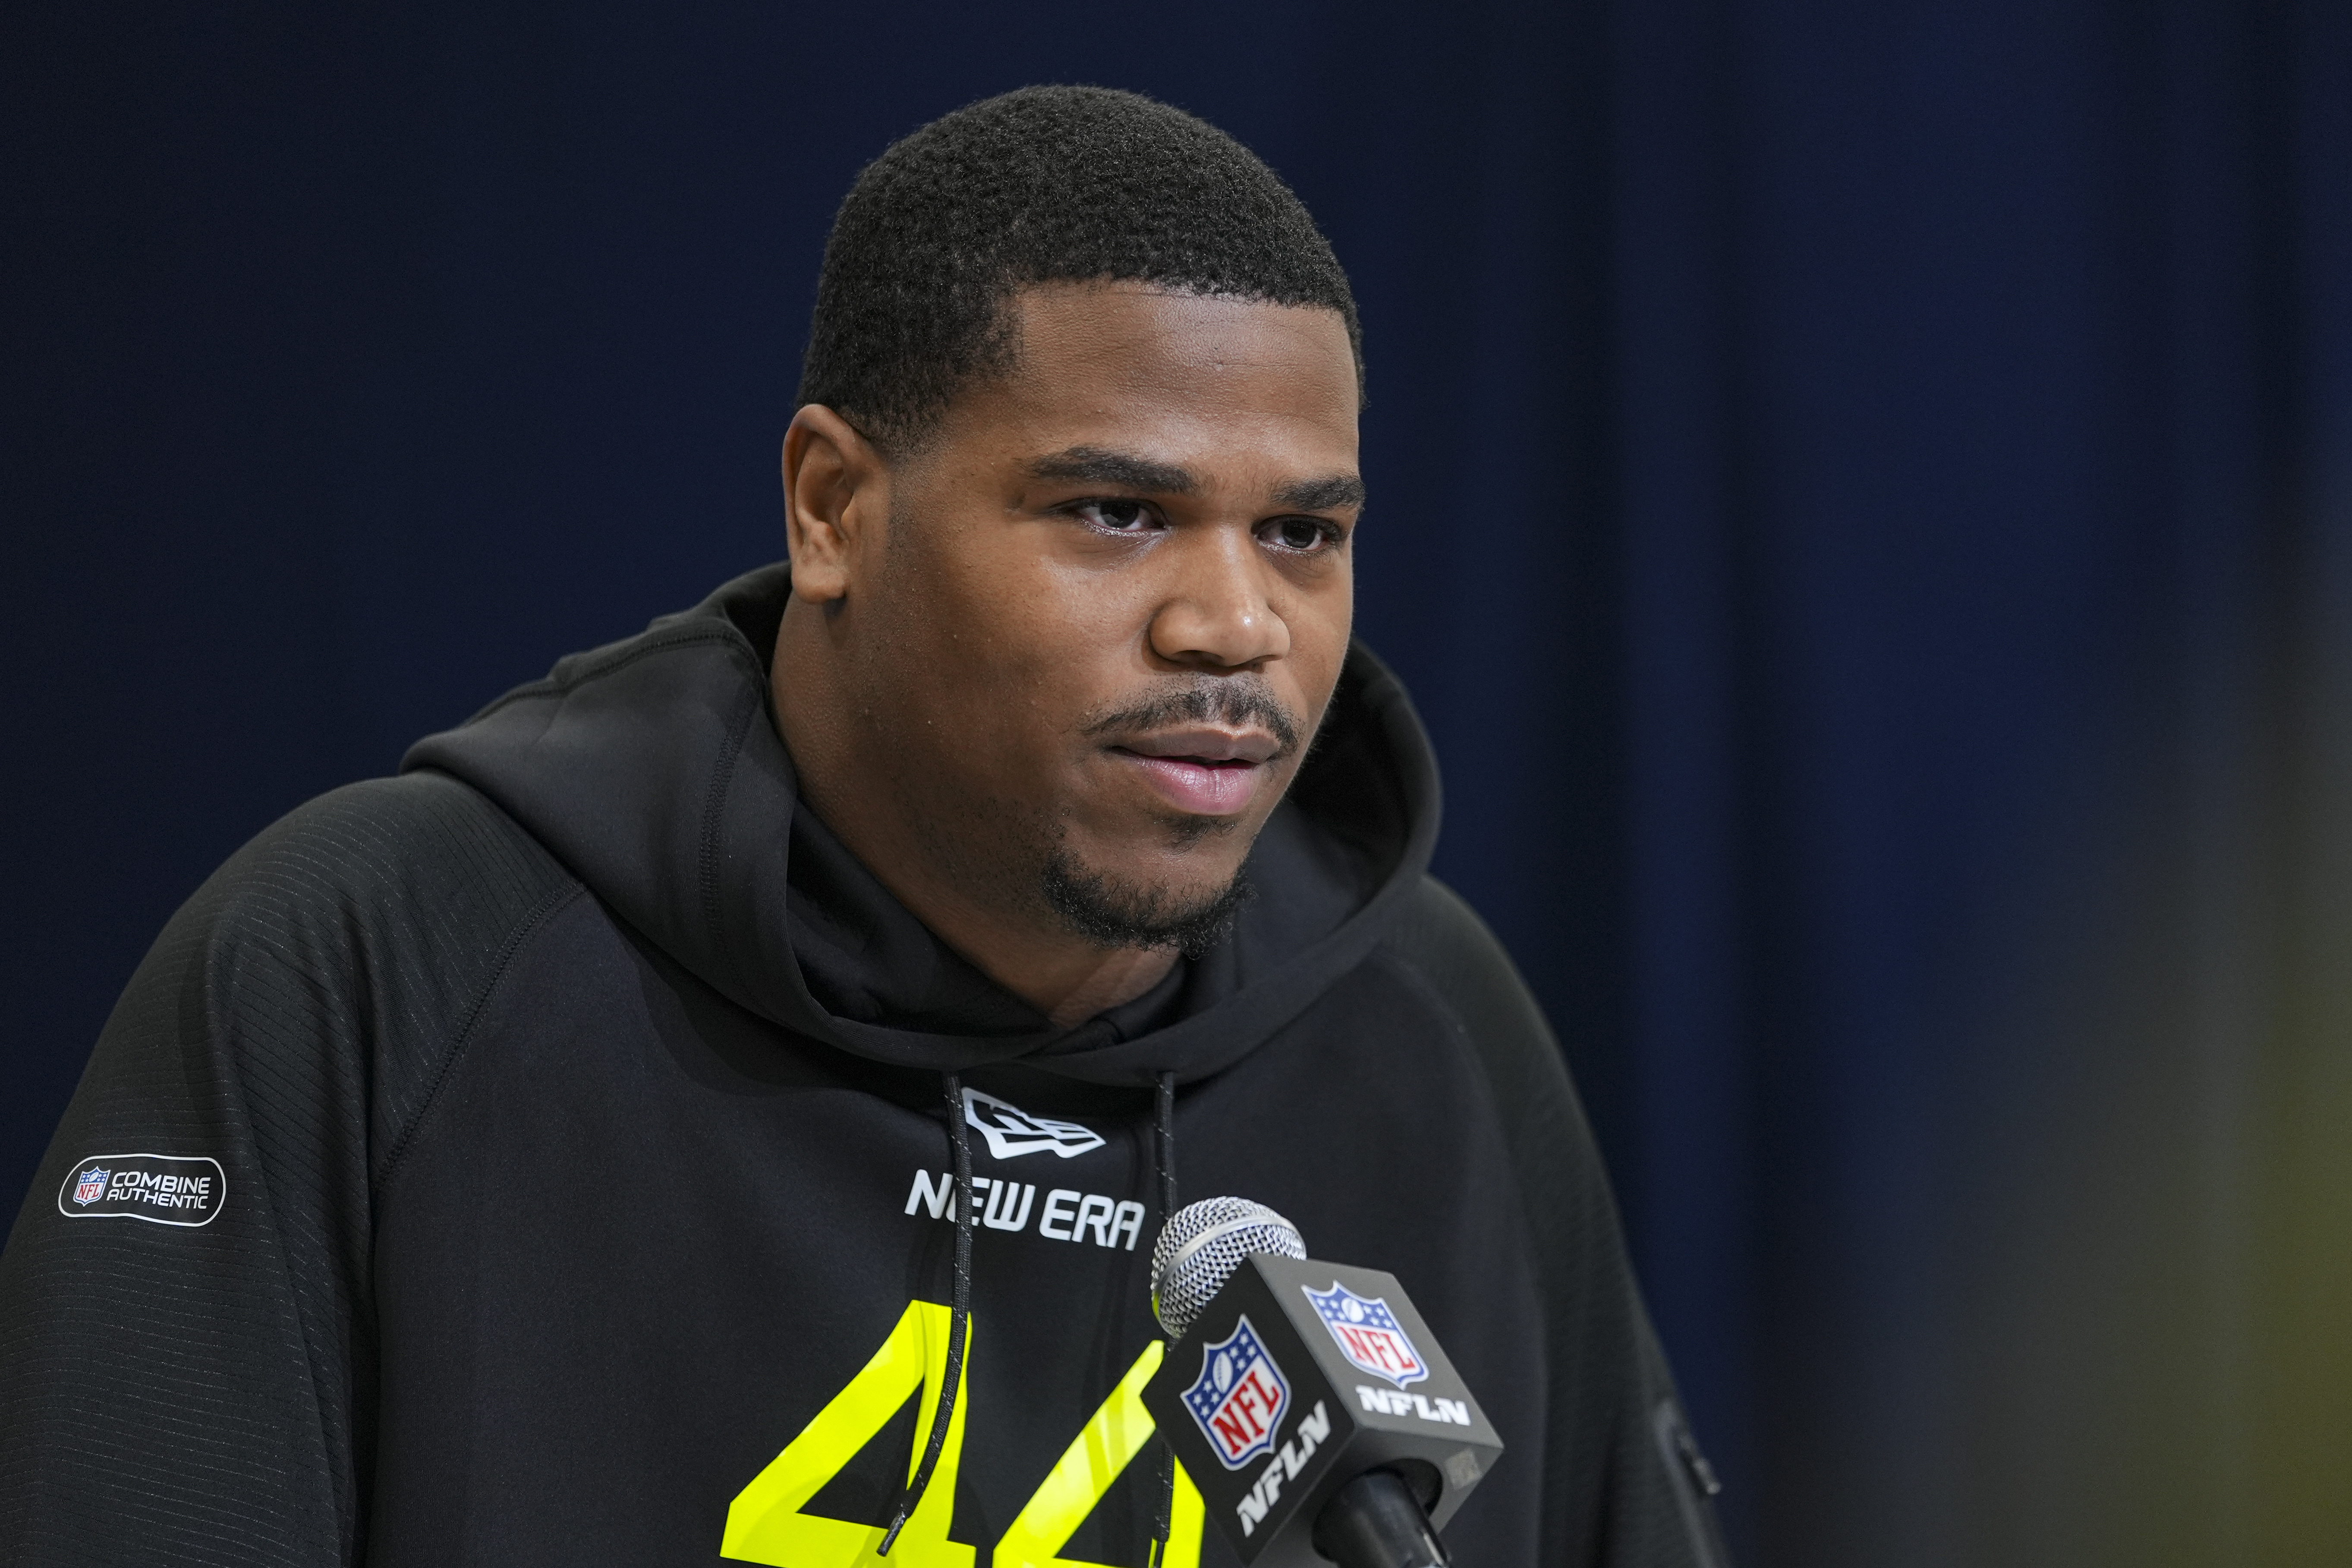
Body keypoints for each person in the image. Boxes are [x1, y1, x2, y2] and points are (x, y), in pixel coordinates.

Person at [0, 86, 1729, 1568]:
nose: (1233, 626)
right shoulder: (376, 967)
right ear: (833, 507)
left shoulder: (1431, 1028)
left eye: (1301, 536)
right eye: (1116, 511)